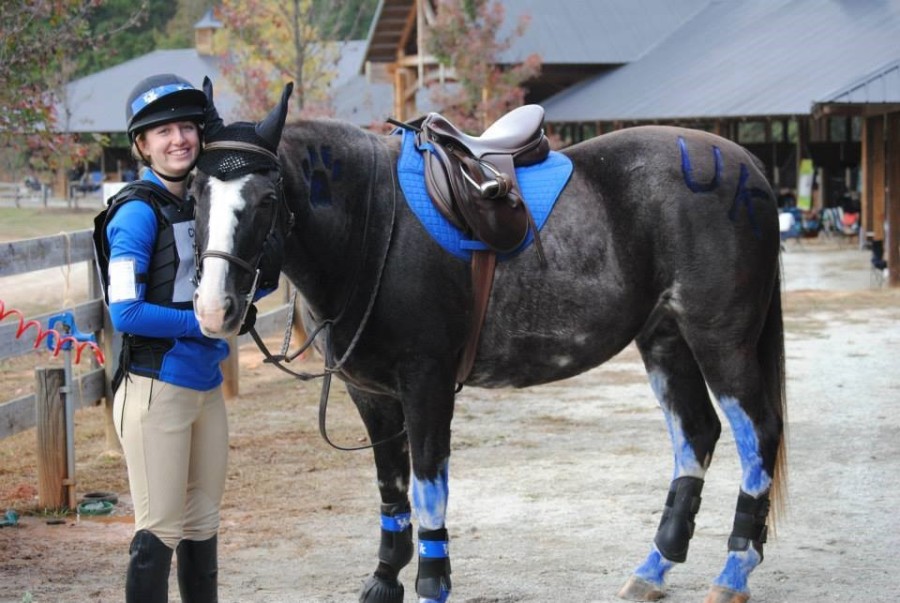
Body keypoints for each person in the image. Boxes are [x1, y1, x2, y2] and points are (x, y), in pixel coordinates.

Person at [92, 73, 253, 602]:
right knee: (159, 529)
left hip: (206, 388)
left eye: (187, 126)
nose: (178, 139)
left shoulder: (206, 204)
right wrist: (201, 325)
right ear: (141, 145)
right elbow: (126, 311)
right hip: (155, 389)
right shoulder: (137, 213)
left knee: (203, 525)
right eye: (162, 131)